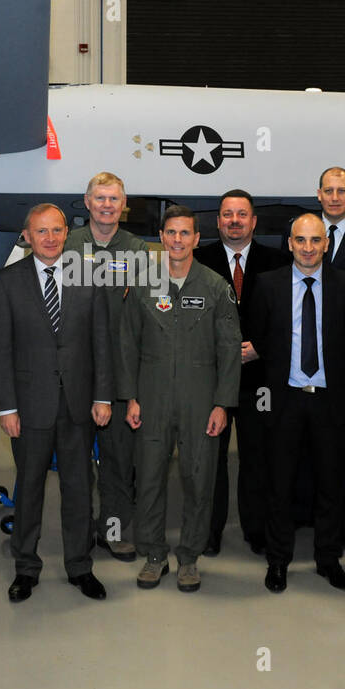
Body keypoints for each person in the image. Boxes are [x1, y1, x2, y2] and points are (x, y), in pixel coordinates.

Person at [0, 204, 111, 603]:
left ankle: (80, 566)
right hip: (29, 408)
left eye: (57, 230)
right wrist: (6, 408)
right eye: (41, 231)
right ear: (27, 235)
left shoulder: (88, 278)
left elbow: (101, 345)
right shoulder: (8, 282)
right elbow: (0, 350)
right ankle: (26, 568)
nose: (50, 238)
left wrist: (102, 397)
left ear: (66, 233)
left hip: (78, 407)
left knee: (79, 490)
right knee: (30, 490)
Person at [118, 205, 241, 593]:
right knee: (150, 478)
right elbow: (127, 345)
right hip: (151, 398)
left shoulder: (216, 287)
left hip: (200, 401)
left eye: (185, 233)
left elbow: (230, 350)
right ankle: (154, 555)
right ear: (161, 236)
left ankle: (189, 556)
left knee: (198, 479)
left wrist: (222, 403)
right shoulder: (142, 285)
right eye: (171, 233)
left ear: (196, 238)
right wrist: (131, 397)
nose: (177, 240)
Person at [249, 213, 345, 593]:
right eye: (301, 240)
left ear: (326, 244)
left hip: (331, 401)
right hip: (284, 401)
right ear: (290, 243)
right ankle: (278, 561)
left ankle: (327, 560)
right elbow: (258, 345)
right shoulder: (267, 285)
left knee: (332, 483)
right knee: (279, 484)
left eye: (316, 240)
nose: (309, 247)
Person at [196, 189, 290, 556]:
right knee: (210, 460)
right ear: (217, 221)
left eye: (241, 214)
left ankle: (256, 529)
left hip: (259, 380)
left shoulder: (278, 262)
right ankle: (209, 531)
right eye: (227, 214)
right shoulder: (198, 260)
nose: (234, 221)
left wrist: (261, 347)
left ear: (254, 221)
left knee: (257, 457)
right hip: (211, 380)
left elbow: (288, 319)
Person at [63, 171, 148, 562]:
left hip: (120, 373)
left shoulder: (138, 249)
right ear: (87, 201)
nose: (107, 206)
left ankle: (112, 531)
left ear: (123, 204)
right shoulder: (65, 244)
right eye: (100, 198)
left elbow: (147, 313)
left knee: (117, 458)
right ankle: (79, 533)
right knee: (76, 458)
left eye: (114, 199)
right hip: (75, 370)